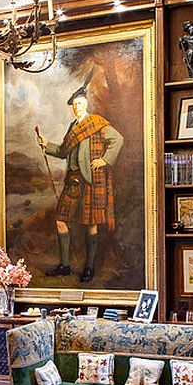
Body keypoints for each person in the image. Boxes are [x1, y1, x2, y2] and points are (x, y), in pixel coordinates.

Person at [38, 85, 123, 283]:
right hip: (73, 180)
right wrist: (46, 144)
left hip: (91, 180)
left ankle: (89, 268)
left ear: (86, 104)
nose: (77, 107)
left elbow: (118, 140)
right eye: (74, 104)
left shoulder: (97, 123)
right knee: (60, 220)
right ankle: (65, 266)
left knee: (91, 224)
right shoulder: (72, 127)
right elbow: (62, 151)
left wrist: (105, 159)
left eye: (80, 103)